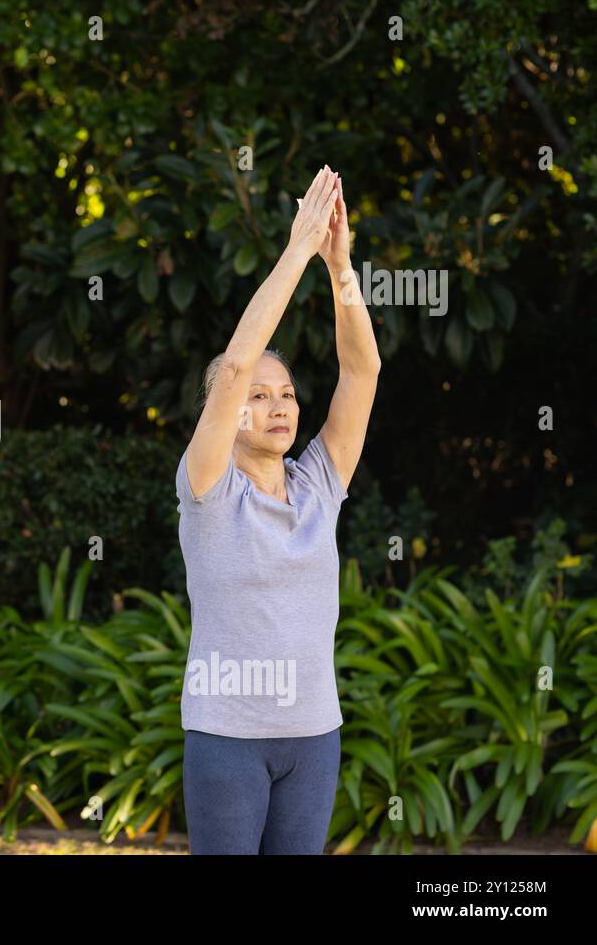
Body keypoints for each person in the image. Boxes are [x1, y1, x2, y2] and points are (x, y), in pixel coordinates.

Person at [175, 166, 381, 854]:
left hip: (314, 739)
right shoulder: (207, 490)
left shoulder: (319, 482)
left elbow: (361, 371)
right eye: (260, 397)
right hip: (227, 741)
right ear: (227, 416)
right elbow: (232, 369)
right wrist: (297, 248)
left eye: (287, 392)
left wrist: (339, 266)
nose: (279, 404)